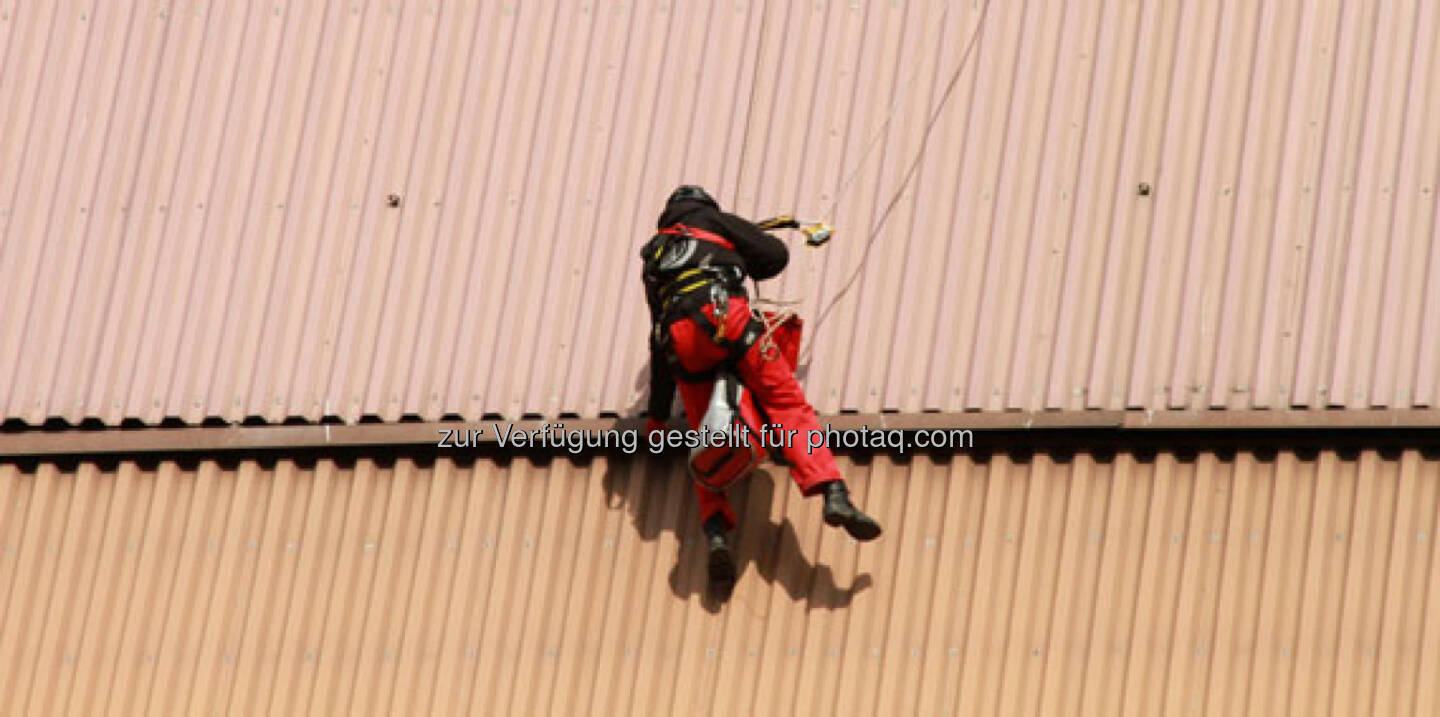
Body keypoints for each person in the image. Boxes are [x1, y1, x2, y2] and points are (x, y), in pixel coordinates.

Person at [639, 185, 882, 596]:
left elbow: (655, 335)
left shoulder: (653, 258)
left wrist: (658, 418)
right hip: (726, 321)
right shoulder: (713, 222)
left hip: (682, 345)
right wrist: (738, 252)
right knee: (786, 403)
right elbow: (775, 255)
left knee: (707, 437)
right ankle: (831, 491)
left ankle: (716, 532)